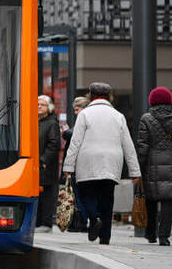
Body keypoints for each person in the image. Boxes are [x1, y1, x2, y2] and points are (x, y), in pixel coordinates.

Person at [62, 82, 140, 244]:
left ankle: (94, 217)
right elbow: (128, 145)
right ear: (109, 97)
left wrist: (68, 167)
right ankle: (105, 237)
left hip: (88, 161)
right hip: (112, 162)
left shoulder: (85, 114)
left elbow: (75, 142)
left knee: (86, 195)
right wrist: (135, 171)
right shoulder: (118, 116)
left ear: (91, 96)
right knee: (107, 199)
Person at [136, 86, 172, 246]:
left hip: (151, 165)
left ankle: (150, 233)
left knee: (151, 200)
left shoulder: (146, 119)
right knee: (168, 201)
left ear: (152, 101)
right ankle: (164, 236)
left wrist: (140, 165)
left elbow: (142, 146)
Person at [62, 96, 90, 231]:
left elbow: (72, 135)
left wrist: (65, 131)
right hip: (81, 163)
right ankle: (81, 222)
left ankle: (81, 222)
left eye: (77, 109)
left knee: (79, 195)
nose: (75, 112)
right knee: (79, 195)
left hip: (79, 165)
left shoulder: (83, 119)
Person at [36, 94, 60, 232]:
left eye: (42, 104)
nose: (39, 107)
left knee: (46, 195)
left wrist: (44, 160)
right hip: (36, 165)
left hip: (46, 166)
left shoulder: (51, 123)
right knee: (38, 194)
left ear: (49, 108)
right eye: (37, 104)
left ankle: (46, 223)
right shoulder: (35, 121)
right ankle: (38, 222)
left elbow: (54, 144)